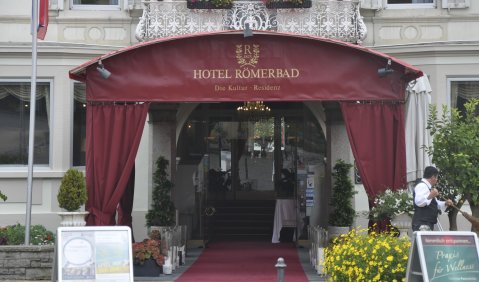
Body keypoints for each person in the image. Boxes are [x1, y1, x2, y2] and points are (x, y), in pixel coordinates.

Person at [412, 166, 453, 231]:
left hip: (426, 222)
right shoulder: (422, 186)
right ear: (433, 177)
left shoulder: (428, 187)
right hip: (422, 223)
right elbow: (419, 202)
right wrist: (431, 196)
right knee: (423, 241)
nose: (437, 180)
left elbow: (435, 203)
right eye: (436, 177)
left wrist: (445, 203)